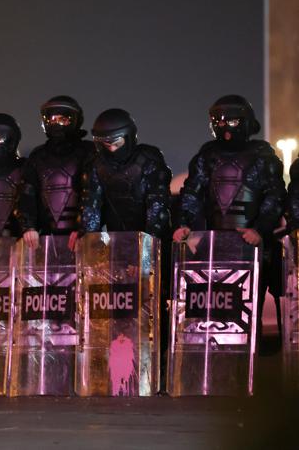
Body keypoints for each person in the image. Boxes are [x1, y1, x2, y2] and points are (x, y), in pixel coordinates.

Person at [174, 95, 285, 346]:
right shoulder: (208, 155)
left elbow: (275, 195)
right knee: (216, 309)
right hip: (215, 245)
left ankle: (249, 360)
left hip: (252, 245)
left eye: (232, 120)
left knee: (248, 306)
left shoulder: (262, 155)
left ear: (245, 122)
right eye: (219, 120)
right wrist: (183, 224)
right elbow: (192, 192)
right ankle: (217, 355)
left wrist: (260, 229)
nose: (225, 126)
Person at [79, 108, 172, 243]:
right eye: (106, 144)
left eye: (117, 143)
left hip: (153, 241)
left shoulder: (148, 159)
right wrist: (89, 240)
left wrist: (149, 242)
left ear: (128, 136)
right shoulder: (96, 165)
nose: (112, 149)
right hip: (115, 241)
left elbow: (158, 204)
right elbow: (91, 205)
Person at [15, 96, 95, 250]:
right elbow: (27, 194)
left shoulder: (89, 152)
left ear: (75, 120)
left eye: (63, 119)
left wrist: (85, 228)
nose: (57, 124)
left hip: (83, 239)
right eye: (52, 119)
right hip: (46, 239)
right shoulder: (38, 156)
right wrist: (28, 227)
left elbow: (94, 194)